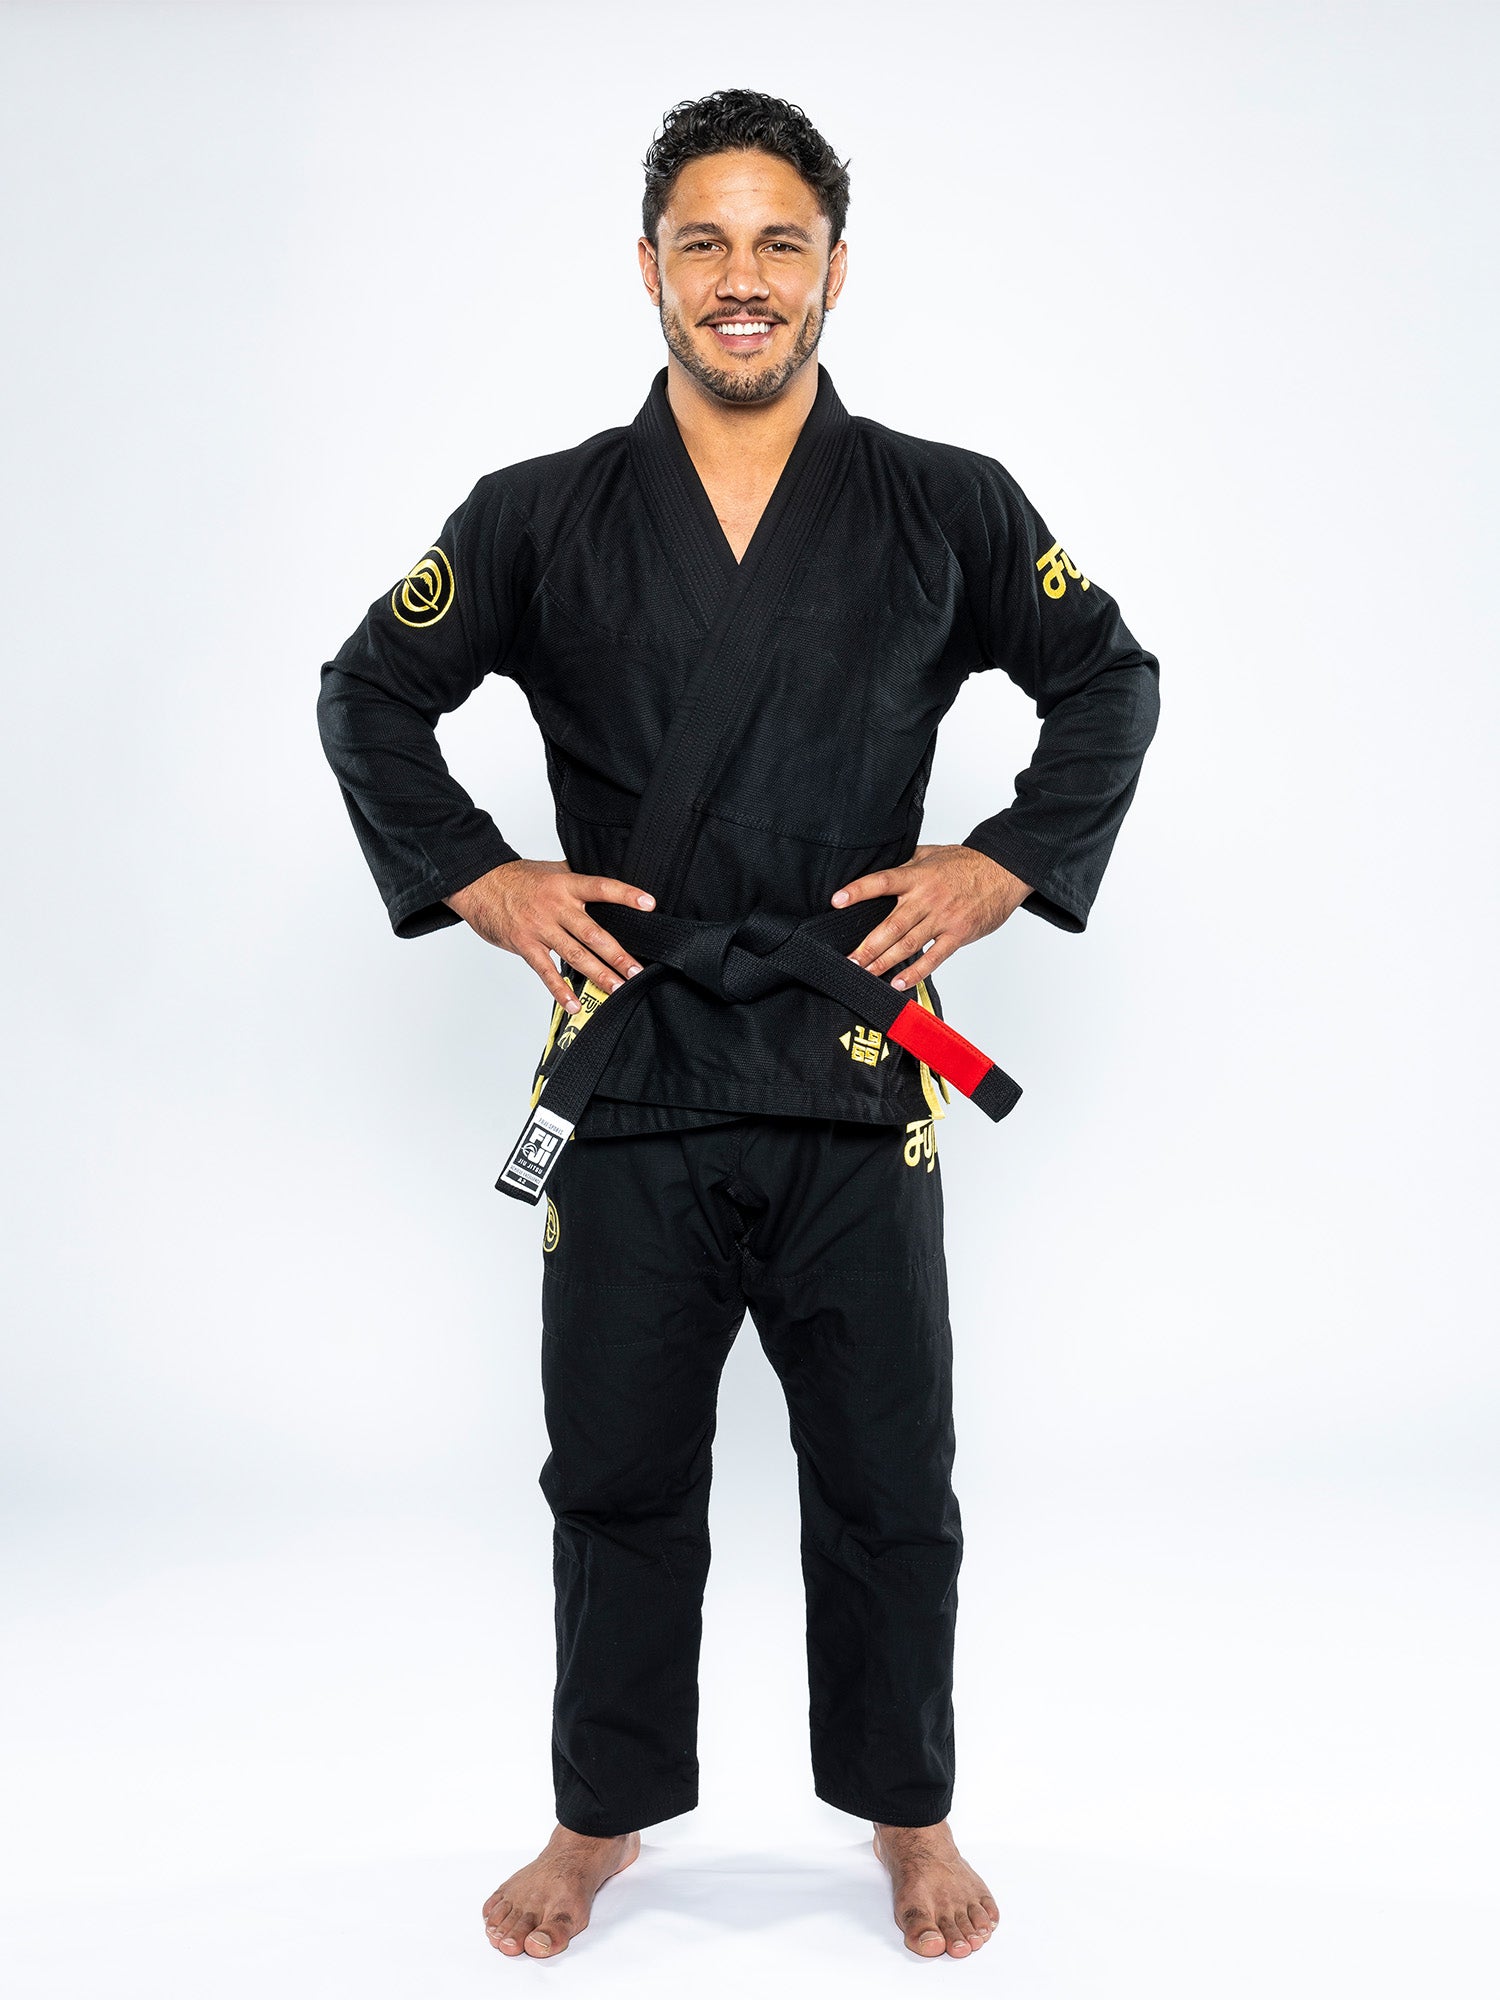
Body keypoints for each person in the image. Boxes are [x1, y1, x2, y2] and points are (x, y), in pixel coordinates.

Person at [317, 88, 1159, 1963]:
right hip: (630, 1073)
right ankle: (597, 1820)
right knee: (615, 1466)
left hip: (867, 1060)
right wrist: (489, 879)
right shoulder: (537, 515)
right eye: (704, 241)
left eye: (781, 242)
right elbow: (370, 693)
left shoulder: (946, 499)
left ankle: (910, 1814)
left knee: (886, 1470)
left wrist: (1008, 862)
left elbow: (1108, 677)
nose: (742, 279)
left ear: (836, 272)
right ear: (648, 272)